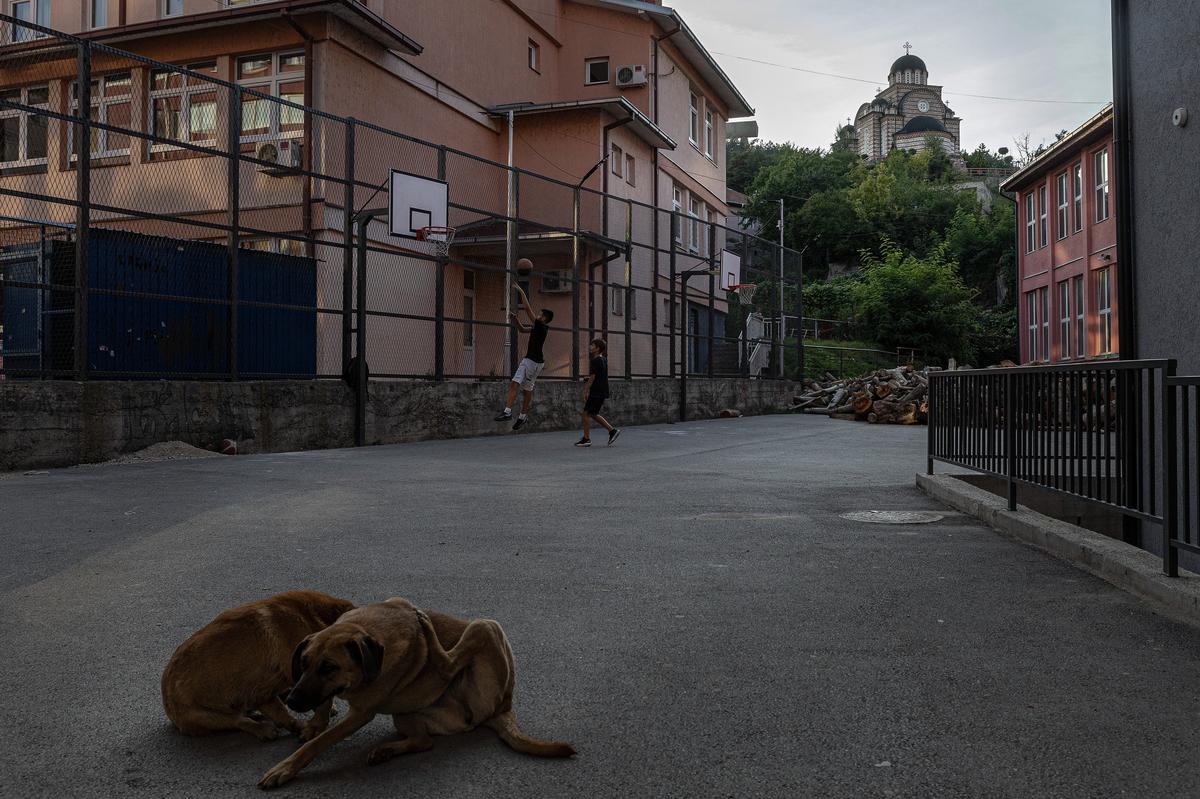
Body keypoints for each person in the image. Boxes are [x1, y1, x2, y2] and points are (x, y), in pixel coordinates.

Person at [494, 283, 553, 431]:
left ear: (544, 318)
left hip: (530, 361)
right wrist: (516, 320)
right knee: (527, 389)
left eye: (540, 314)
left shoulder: (541, 325)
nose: (537, 315)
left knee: (515, 383)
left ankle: (507, 412)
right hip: (537, 363)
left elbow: (527, 309)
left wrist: (521, 291)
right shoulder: (538, 328)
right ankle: (522, 416)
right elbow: (522, 329)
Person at [575, 338, 620, 447]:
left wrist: (585, 391)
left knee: (586, 414)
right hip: (602, 391)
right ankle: (612, 431)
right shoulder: (603, 359)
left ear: (597, 348)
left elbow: (594, 377)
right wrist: (588, 377)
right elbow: (599, 375)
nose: (590, 347)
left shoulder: (595, 361)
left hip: (596, 391)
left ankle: (586, 439)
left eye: (592, 345)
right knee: (592, 414)